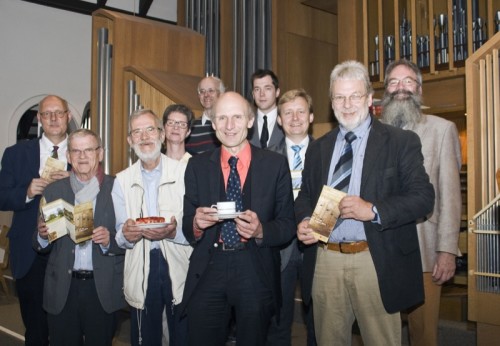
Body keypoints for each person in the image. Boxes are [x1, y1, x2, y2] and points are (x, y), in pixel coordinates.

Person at [295, 60, 435, 345]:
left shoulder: (400, 141)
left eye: (354, 96)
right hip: (325, 260)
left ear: (370, 99)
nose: (347, 104)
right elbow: (306, 196)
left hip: (375, 259)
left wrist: (372, 210)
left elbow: (423, 197)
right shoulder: (319, 147)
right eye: (339, 97)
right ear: (331, 101)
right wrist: (303, 220)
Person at [181, 91, 296, 346]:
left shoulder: (274, 164)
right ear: (213, 124)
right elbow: (187, 223)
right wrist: (196, 224)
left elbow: (288, 225)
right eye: (222, 118)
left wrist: (261, 231)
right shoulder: (197, 166)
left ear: (250, 121)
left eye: (236, 117)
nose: (229, 126)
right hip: (210, 266)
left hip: (254, 267)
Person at [381, 59, 462, 346]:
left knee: (423, 333)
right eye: (393, 82)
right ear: (385, 90)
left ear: (419, 89)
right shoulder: (374, 133)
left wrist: (447, 250)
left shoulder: (442, 130)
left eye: (408, 81)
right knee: (378, 331)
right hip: (380, 251)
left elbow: (450, 195)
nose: (400, 88)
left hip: (425, 251)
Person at [34, 129, 125, 345]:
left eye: (88, 150)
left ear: (100, 154)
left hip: (101, 288)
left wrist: (108, 241)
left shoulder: (117, 188)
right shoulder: (54, 190)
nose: (82, 156)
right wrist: (42, 235)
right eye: (76, 151)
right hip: (63, 288)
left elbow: (130, 239)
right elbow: (38, 244)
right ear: (68, 156)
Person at [111, 109, 192, 346]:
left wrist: (174, 231)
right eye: (137, 131)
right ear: (130, 140)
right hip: (141, 265)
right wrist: (126, 234)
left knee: (183, 336)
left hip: (179, 264)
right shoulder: (122, 180)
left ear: (161, 134)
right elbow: (120, 234)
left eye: (150, 130)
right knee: (146, 338)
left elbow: (195, 228)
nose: (144, 137)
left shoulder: (186, 172)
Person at [0, 94, 71, 346]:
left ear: (68, 117)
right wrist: (27, 192)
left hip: (69, 249)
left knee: (68, 328)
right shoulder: (15, 153)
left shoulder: (83, 153)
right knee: (36, 330)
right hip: (29, 252)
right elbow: (1, 196)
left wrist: (73, 182)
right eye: (47, 114)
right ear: (40, 119)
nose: (53, 118)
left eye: (59, 113)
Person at [267, 89, 316, 346]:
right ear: (279, 119)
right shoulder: (265, 156)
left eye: (300, 111)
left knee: (318, 321)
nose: (294, 118)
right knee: (278, 320)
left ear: (310, 117)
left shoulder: (327, 152)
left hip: (318, 245)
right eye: (288, 112)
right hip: (280, 248)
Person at [185, 76, 224, 154]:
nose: (206, 95)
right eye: (202, 91)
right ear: (199, 96)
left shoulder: (229, 125)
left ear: (220, 94)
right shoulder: (191, 127)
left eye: (211, 91)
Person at [249, 69, 284, 149]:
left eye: (267, 88)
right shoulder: (245, 122)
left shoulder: (288, 121)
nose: (262, 94)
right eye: (257, 89)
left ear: (277, 92)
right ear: (253, 94)